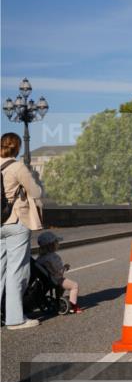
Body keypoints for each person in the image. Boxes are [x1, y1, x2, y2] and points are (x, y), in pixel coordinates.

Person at [1, 132, 44, 329]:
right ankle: (15, 319)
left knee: (0, 270)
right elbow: (36, 192)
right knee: (17, 271)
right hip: (15, 221)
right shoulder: (17, 166)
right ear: (17, 147)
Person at [35, 231, 82, 314]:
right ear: (51, 245)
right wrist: (65, 267)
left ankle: (59, 299)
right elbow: (59, 272)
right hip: (56, 279)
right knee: (74, 286)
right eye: (56, 242)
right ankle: (73, 306)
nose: (58, 244)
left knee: (62, 286)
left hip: (47, 279)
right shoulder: (53, 257)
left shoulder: (40, 258)